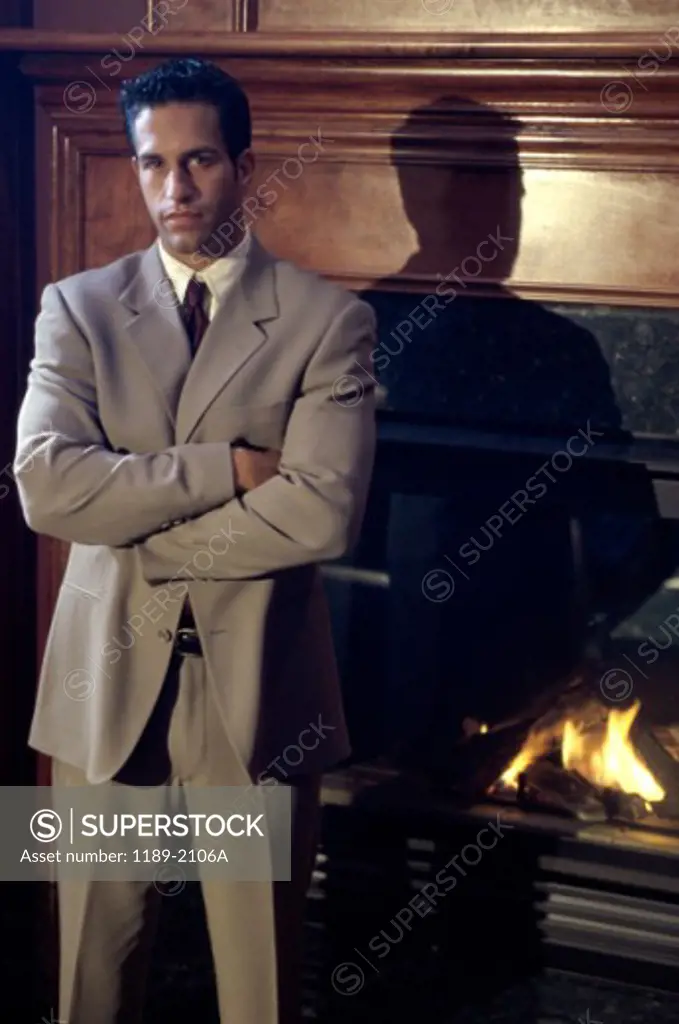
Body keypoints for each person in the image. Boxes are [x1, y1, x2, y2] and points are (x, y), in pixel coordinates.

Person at [13, 56, 377, 1024]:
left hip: (259, 700)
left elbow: (323, 511)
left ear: (243, 166)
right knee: (86, 977)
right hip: (100, 690)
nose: (174, 189)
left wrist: (145, 536)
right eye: (152, 163)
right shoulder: (76, 308)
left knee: (258, 988)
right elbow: (47, 488)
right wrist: (224, 467)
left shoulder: (328, 320)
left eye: (200, 160)